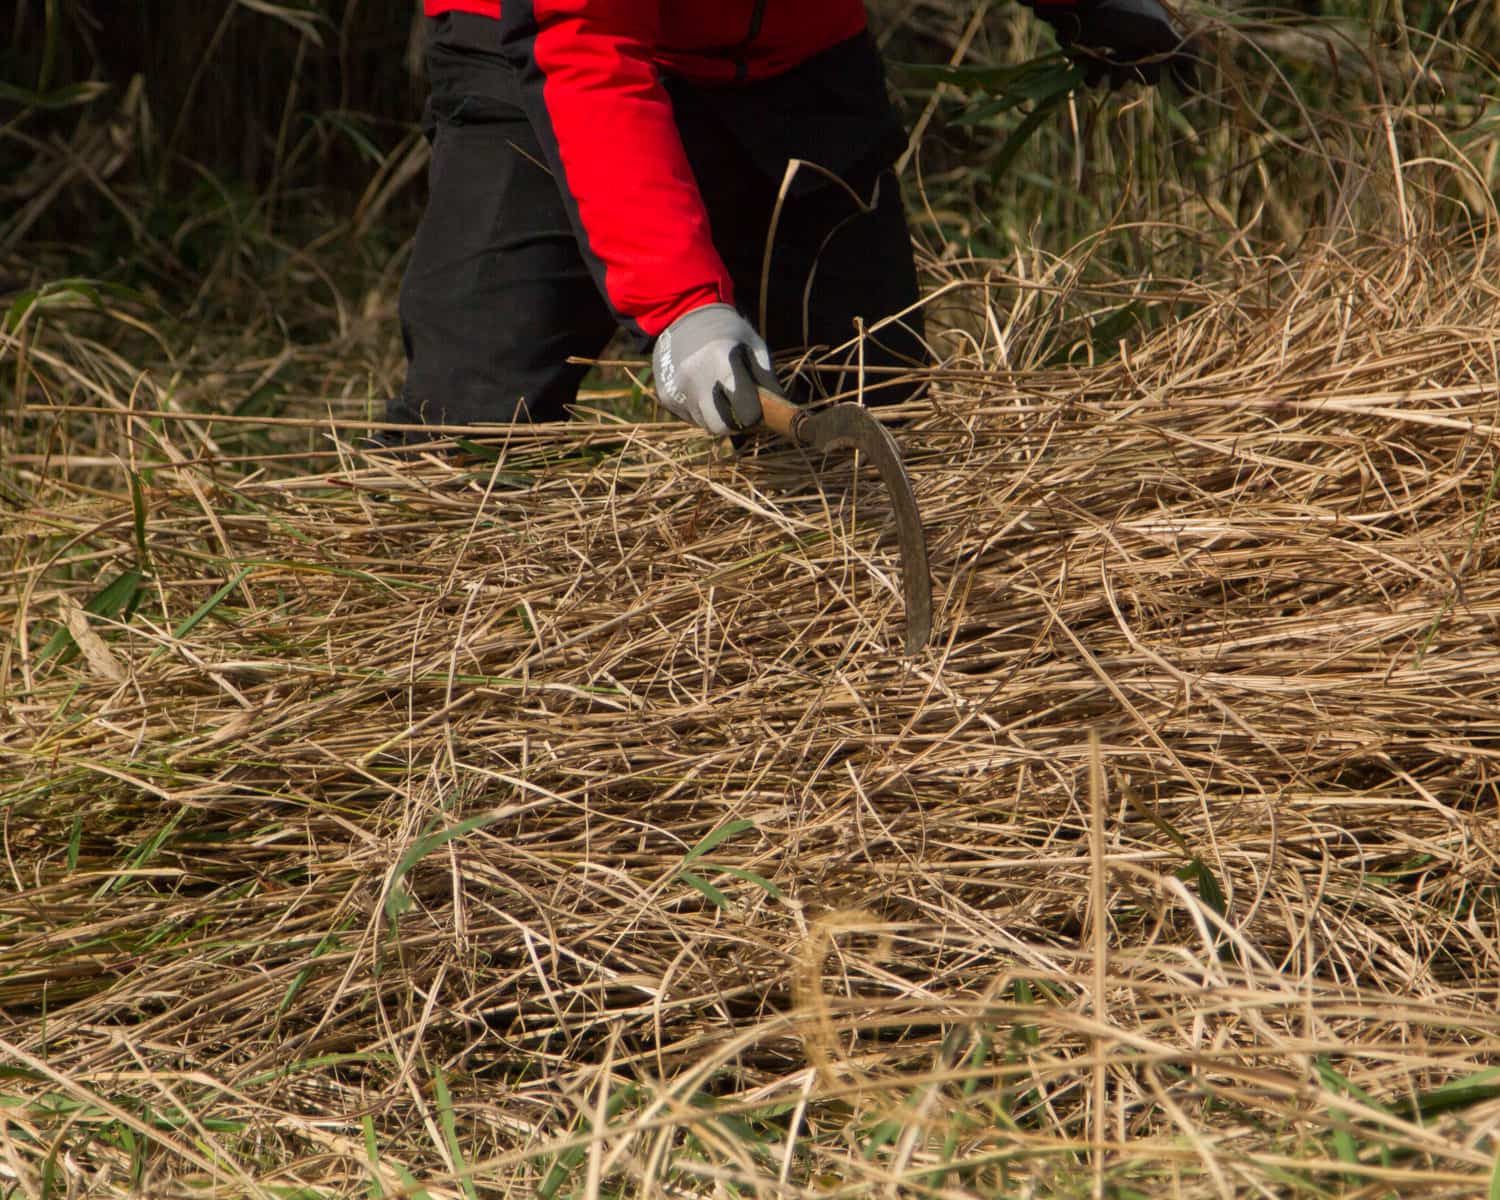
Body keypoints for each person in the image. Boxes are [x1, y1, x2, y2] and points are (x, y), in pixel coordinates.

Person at [385, 0, 1195, 443]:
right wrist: (683, 312)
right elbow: (588, 46)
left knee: (869, 413)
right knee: (473, 424)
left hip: (797, 55)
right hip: (546, 41)